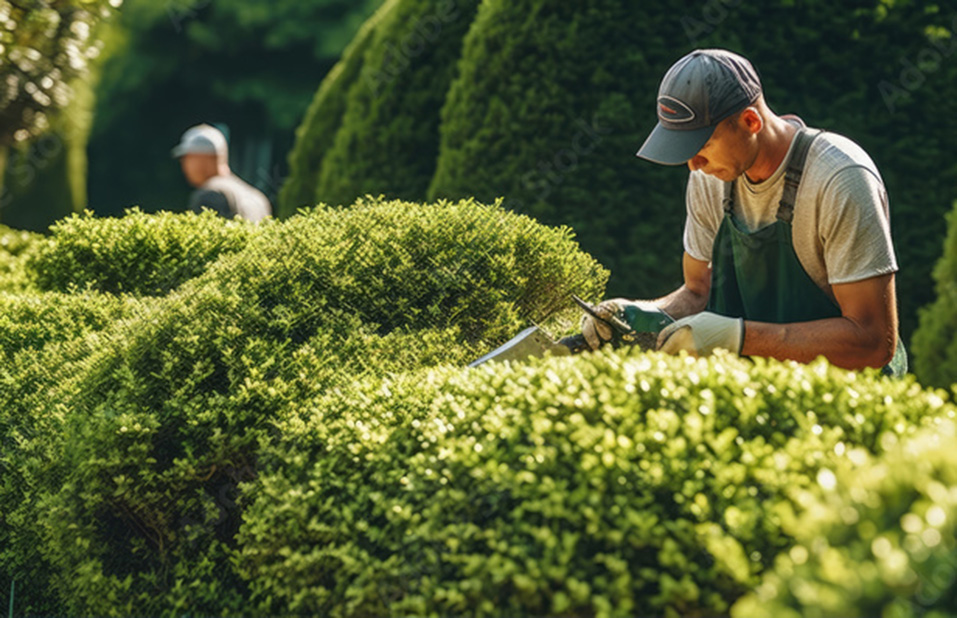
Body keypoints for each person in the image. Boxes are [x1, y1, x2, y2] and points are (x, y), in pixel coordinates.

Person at [582, 48, 906, 376]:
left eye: (702, 145)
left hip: (849, 394)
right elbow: (698, 291)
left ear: (750, 121)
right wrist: (638, 313)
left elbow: (874, 341)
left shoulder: (840, 178)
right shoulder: (708, 177)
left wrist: (738, 337)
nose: (693, 164)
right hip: (761, 388)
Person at [171, 124, 272, 223]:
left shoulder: (210, 194)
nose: (183, 165)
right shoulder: (258, 198)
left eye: (186, 158)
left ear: (202, 157)